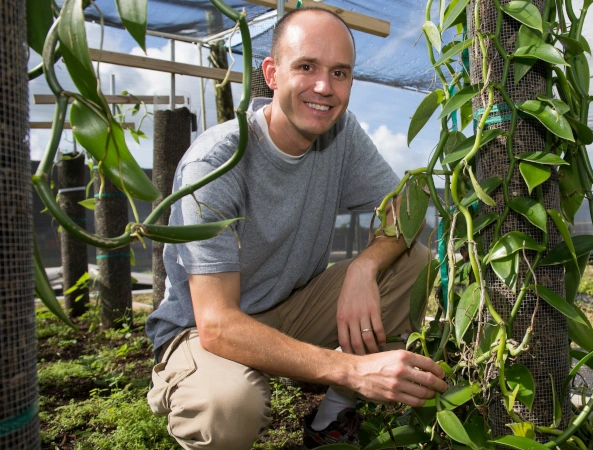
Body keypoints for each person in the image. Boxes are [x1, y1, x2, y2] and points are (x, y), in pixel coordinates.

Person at [144, 7, 447, 450]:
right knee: (228, 405)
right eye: (306, 66)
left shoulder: (341, 134)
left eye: (339, 72)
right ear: (271, 73)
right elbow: (217, 324)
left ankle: (331, 423)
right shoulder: (215, 163)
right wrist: (352, 370)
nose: (324, 87)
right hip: (202, 330)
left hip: (287, 305)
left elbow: (410, 208)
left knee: (411, 262)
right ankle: (203, 388)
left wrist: (364, 268)